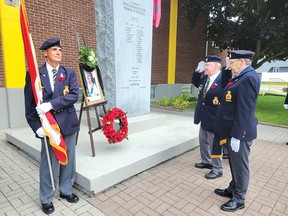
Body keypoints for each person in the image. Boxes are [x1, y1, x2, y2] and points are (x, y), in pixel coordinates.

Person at [24, 38, 80, 214]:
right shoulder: (34, 74)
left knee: (68, 159)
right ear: (45, 53)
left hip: (68, 123)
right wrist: (36, 127)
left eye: (60, 50)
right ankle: (46, 197)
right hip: (48, 126)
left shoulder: (68, 73)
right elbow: (29, 104)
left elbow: (74, 96)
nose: (58, 52)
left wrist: (51, 104)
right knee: (49, 163)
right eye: (54, 49)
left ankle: (65, 190)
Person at [213, 50, 260, 212]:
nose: (230, 65)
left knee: (240, 166)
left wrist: (238, 136)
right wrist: (227, 69)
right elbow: (225, 86)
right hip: (232, 130)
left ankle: (239, 198)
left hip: (240, 132)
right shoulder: (240, 76)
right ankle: (233, 188)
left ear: (242, 62)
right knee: (234, 163)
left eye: (232, 62)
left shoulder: (249, 78)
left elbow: (245, 111)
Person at [192, 55, 229, 179]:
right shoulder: (205, 79)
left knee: (215, 144)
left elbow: (228, 84)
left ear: (216, 66)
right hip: (204, 116)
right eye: (205, 65)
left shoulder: (222, 79)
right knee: (203, 140)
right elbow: (195, 83)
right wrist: (198, 72)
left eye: (207, 65)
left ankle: (217, 168)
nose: (205, 67)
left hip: (215, 118)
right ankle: (206, 161)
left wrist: (228, 69)